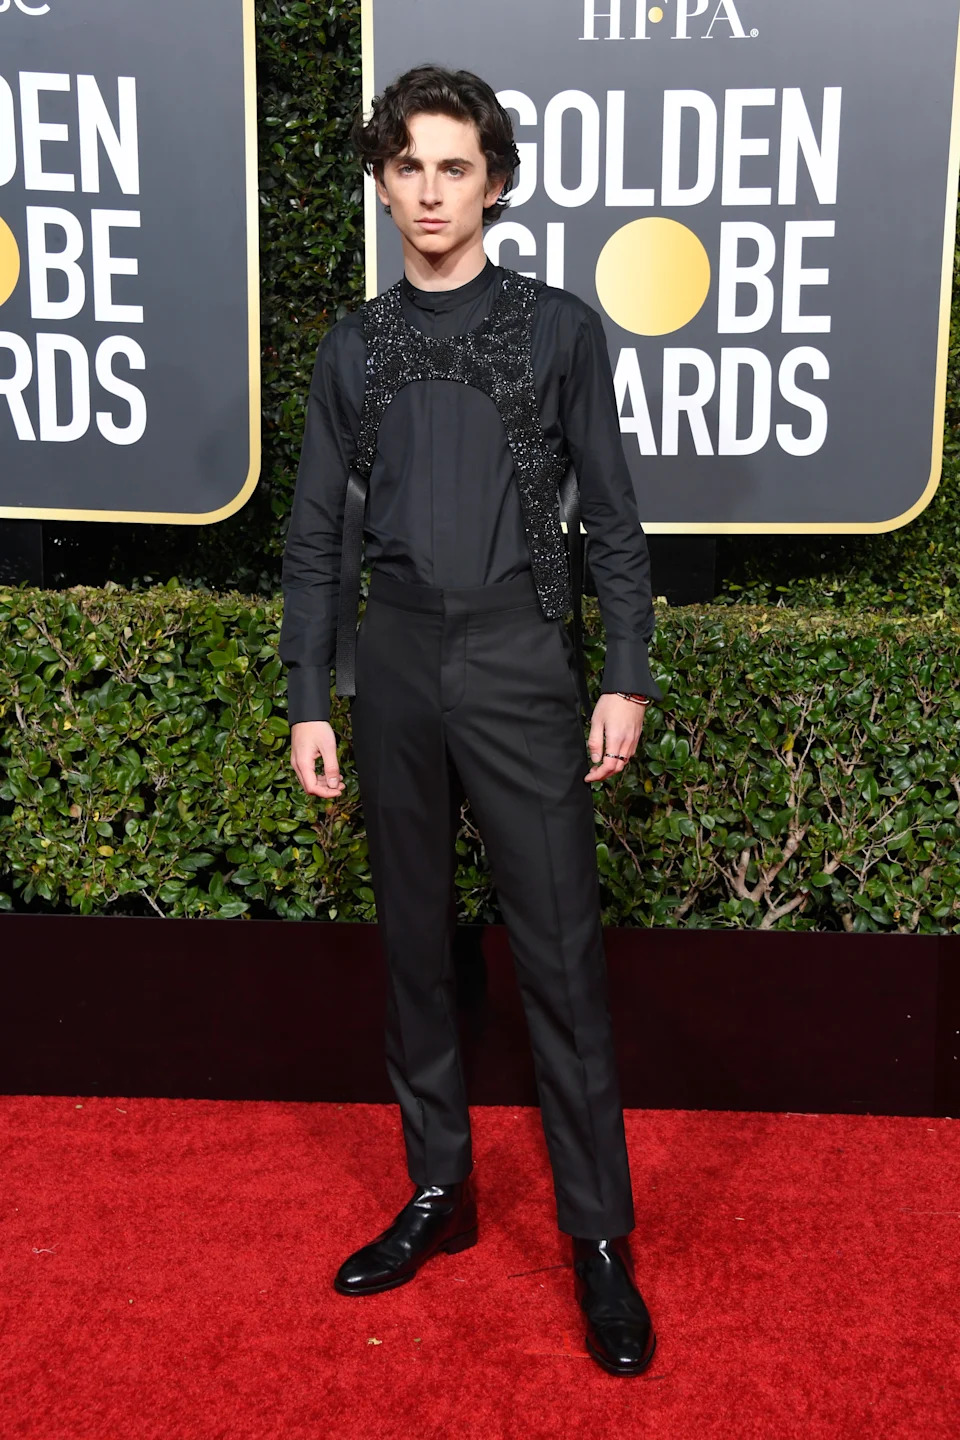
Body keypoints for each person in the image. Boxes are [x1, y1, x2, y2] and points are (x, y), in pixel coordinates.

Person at [279, 64, 663, 1378]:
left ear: (494, 180)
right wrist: (308, 694)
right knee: (413, 949)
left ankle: (599, 1241)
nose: (431, 191)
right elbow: (318, 530)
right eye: (409, 166)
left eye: (456, 166)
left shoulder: (558, 330)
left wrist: (625, 672)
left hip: (516, 664)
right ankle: (438, 1191)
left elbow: (613, 514)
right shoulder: (354, 344)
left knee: (559, 962)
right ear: (383, 182)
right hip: (391, 667)